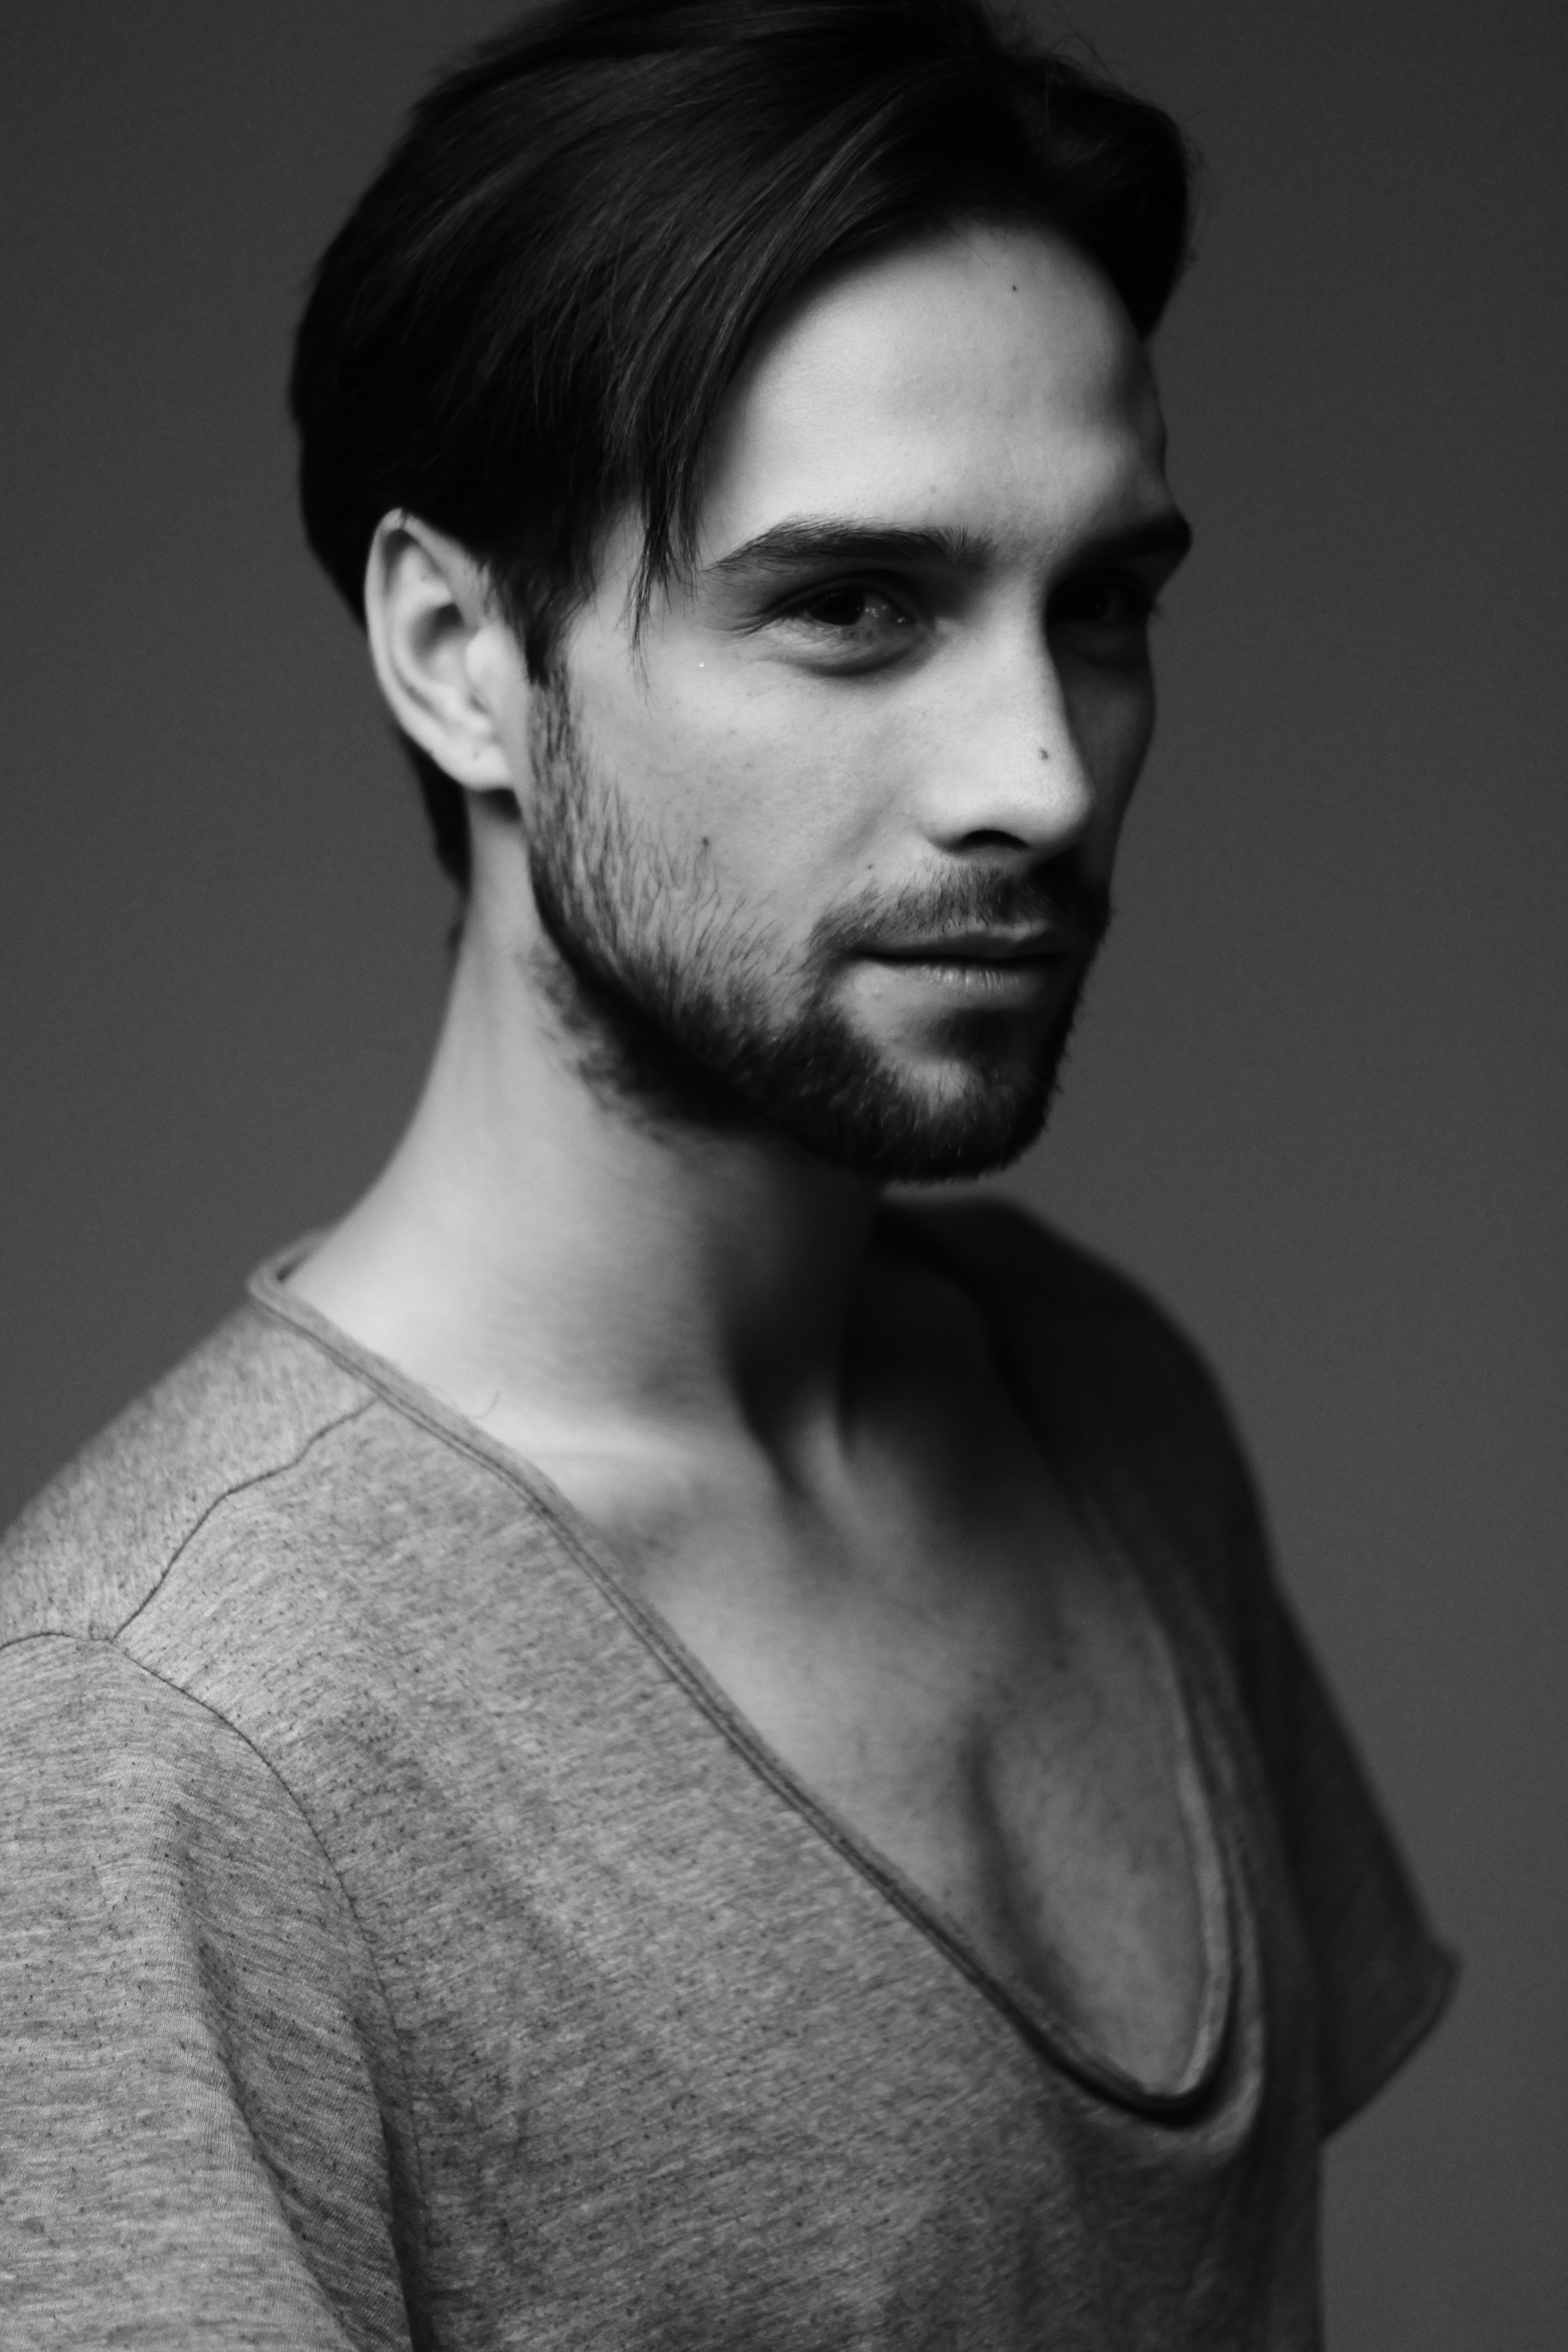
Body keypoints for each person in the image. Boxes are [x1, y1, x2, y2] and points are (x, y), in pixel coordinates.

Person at [0, 2, 1454, 2344]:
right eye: (853, 606)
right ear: (461, 653)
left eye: (1102, 604)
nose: (1042, 776)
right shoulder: (158, 1734)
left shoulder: (1107, 1398)